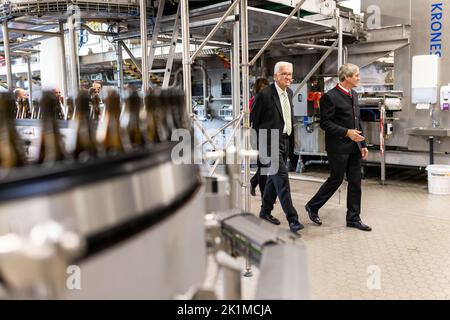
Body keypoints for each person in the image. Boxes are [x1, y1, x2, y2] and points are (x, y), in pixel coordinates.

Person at [305, 63, 371, 232]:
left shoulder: (354, 94)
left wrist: (362, 144)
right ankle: (313, 206)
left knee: (355, 182)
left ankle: (353, 218)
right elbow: (325, 123)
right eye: (356, 75)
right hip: (338, 147)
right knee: (336, 180)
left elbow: (357, 121)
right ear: (347, 77)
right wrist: (346, 132)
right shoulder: (330, 97)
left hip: (354, 147)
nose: (358, 78)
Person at [250, 61, 303, 234]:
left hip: (284, 140)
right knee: (282, 179)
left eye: (289, 74)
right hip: (269, 142)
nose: (288, 77)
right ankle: (293, 219)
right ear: (275, 76)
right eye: (284, 74)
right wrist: (261, 146)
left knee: (273, 181)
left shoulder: (289, 92)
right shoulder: (264, 95)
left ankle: (265, 211)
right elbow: (255, 122)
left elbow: (287, 119)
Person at [249, 78, 270, 197]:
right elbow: (254, 120)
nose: (266, 88)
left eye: (267, 86)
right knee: (264, 166)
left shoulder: (268, 99)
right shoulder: (254, 100)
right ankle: (264, 195)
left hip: (267, 135)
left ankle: (254, 182)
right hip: (258, 135)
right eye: (263, 86)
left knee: (266, 166)